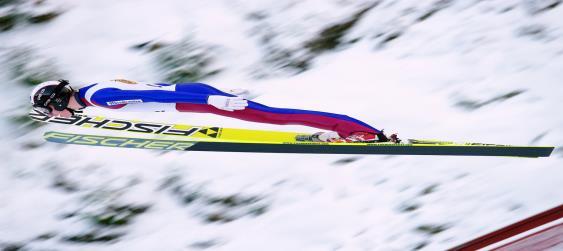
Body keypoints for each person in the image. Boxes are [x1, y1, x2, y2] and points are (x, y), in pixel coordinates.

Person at [29, 79, 399, 143]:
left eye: (51, 112)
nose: (55, 116)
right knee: (276, 113)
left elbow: (155, 98)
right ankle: (348, 130)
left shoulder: (99, 98)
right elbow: (156, 90)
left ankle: (366, 132)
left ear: (56, 102)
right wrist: (210, 94)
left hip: (197, 100)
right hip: (195, 96)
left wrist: (212, 100)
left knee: (276, 116)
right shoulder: (96, 92)